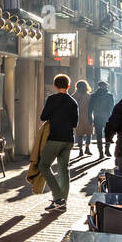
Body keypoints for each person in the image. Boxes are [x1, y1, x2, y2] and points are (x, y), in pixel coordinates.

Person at [38, 74, 79, 212]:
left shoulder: (52, 99)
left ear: (55, 86)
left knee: (43, 165)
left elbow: (43, 117)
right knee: (63, 169)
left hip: (55, 137)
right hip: (68, 139)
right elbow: (74, 123)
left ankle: (58, 197)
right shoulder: (73, 102)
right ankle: (62, 203)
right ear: (68, 86)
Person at [88, 80, 114, 159]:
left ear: (98, 86)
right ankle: (107, 150)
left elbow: (90, 109)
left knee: (98, 136)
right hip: (107, 118)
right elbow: (112, 108)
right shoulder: (109, 96)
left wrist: (90, 118)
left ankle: (101, 153)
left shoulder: (93, 96)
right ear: (106, 86)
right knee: (108, 135)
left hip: (97, 117)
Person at [73, 79, 92, 158]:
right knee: (89, 134)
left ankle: (80, 150)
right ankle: (87, 148)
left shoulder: (74, 96)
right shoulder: (89, 96)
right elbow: (92, 107)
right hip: (88, 117)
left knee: (79, 135)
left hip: (78, 118)